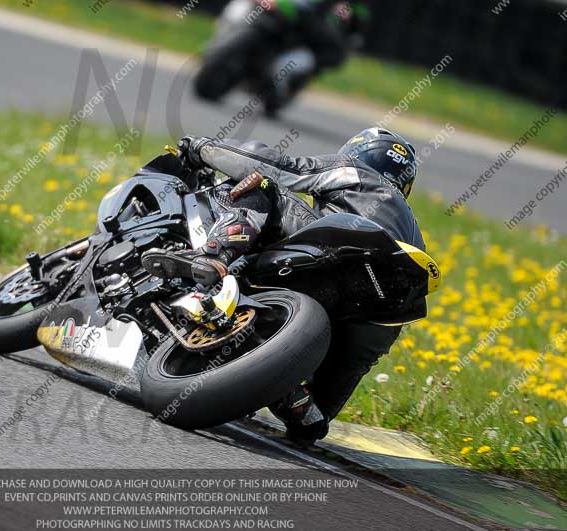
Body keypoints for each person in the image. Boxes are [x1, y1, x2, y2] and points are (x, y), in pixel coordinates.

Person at [142, 127, 425, 442]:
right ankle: (304, 408)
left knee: (262, 183)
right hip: (386, 310)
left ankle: (213, 256)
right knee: (323, 408)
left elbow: (278, 166)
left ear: (357, 151)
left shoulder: (355, 172)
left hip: (343, 256)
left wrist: (200, 147)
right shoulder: (413, 229)